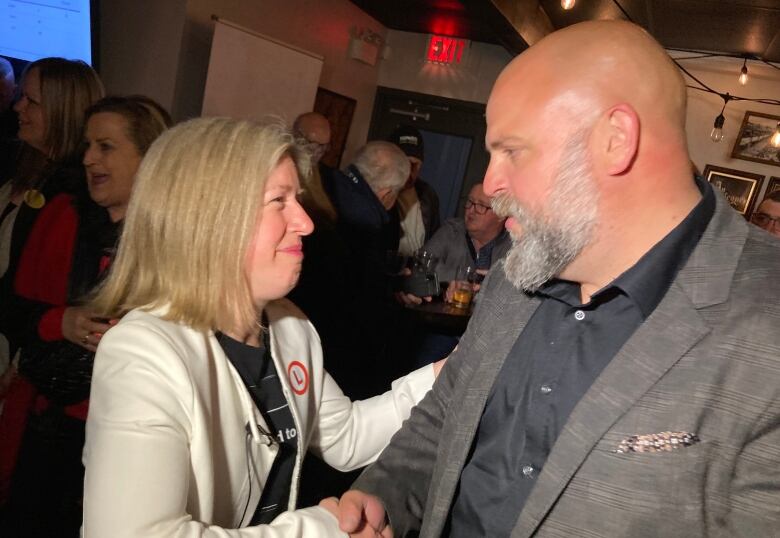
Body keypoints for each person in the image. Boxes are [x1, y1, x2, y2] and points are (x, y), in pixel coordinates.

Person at [330, 20, 780, 537]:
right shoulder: (517, 274)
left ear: (615, 139)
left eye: (512, 151)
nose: (493, 185)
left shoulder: (767, 321)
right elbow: (445, 414)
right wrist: (381, 496)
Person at [81, 118, 440, 537]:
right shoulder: (144, 352)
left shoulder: (289, 327)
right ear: (211, 218)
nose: (305, 223)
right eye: (279, 201)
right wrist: (323, 529)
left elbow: (346, 436)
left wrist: (447, 375)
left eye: (298, 200)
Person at [0, 96, 170, 537]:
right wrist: (62, 322)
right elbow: (9, 307)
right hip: (46, 422)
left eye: (106, 146)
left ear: (148, 155)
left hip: (127, 440)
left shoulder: (174, 242)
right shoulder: (62, 214)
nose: (89, 157)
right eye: (88, 144)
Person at [0, 57, 103, 381]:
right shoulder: (24, 164)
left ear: (62, 111)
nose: (19, 107)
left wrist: (19, 363)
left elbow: (46, 296)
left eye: (32, 101)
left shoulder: (75, 197)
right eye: (21, 97)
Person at [397, 182, 509, 306]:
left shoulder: (513, 247)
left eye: (481, 206)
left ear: (501, 215)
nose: (471, 210)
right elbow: (421, 264)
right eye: (470, 202)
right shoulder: (452, 231)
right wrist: (463, 280)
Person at [389, 125, 440, 256]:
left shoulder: (428, 194)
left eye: (415, 165)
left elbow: (434, 239)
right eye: (404, 163)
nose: (409, 171)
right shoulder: (379, 191)